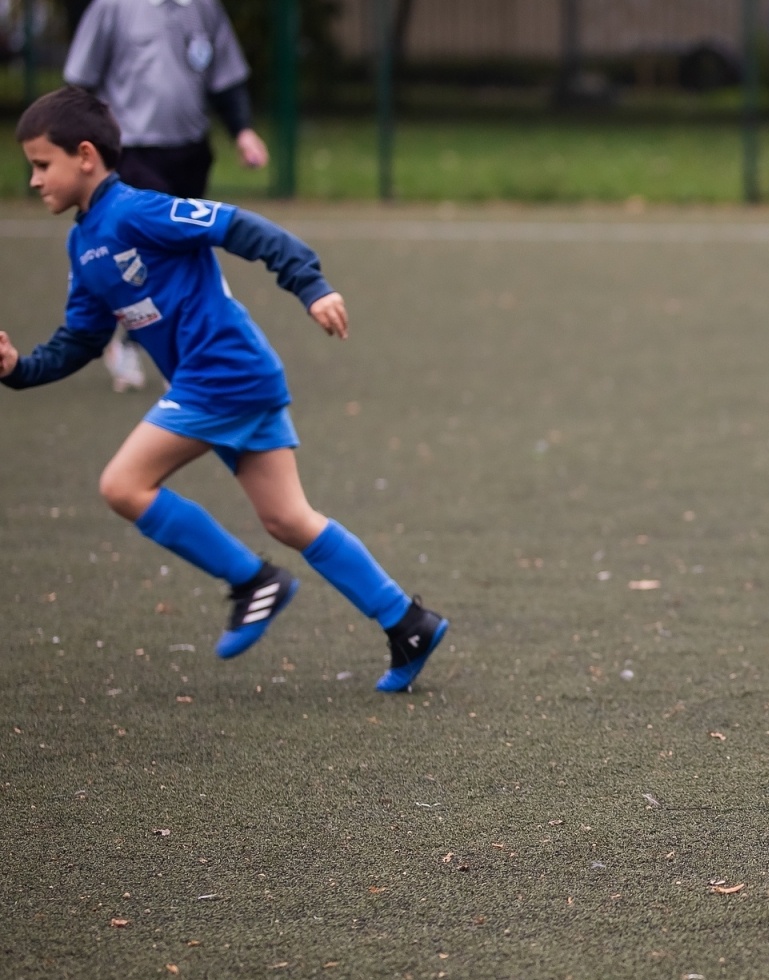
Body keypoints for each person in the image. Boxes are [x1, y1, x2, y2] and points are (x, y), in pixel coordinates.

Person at [1, 88, 447, 694]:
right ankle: (408, 621)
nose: (33, 180)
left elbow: (240, 226)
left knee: (123, 485)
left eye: (41, 164)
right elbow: (79, 339)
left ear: (85, 156)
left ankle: (251, 581)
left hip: (223, 373)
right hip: (233, 379)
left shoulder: (137, 210)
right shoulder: (84, 245)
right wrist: (18, 368)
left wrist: (309, 284)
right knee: (288, 518)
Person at [64, 0, 269, 394]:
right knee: (154, 256)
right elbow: (79, 82)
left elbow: (225, 78)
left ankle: (156, 344)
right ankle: (138, 344)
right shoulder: (112, 7)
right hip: (131, 152)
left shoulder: (204, 8)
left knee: (183, 255)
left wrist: (243, 131)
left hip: (190, 151)